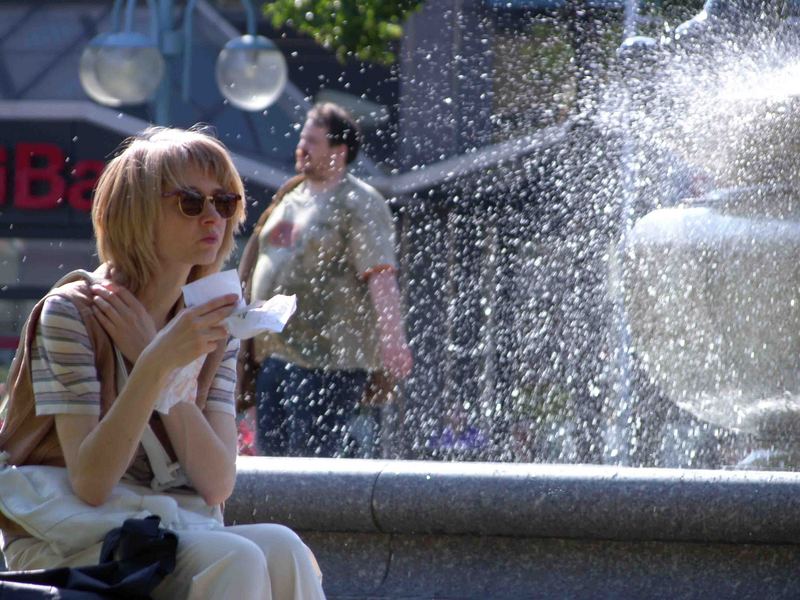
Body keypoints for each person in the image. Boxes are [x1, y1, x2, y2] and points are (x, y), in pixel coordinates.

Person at [0, 126, 326, 600]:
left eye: (226, 201)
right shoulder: (71, 312)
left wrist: (160, 364)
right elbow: (91, 481)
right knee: (236, 557)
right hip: (66, 538)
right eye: (191, 203)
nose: (213, 217)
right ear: (135, 212)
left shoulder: (218, 323)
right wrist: (154, 363)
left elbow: (216, 484)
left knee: (284, 547)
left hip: (164, 524)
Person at [238, 102, 413, 458]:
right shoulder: (289, 195)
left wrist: (393, 340)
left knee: (312, 461)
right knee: (273, 460)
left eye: (312, 141)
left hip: (328, 362)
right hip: (272, 355)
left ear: (339, 152)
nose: (301, 148)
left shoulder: (359, 202)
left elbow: (380, 275)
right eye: (302, 139)